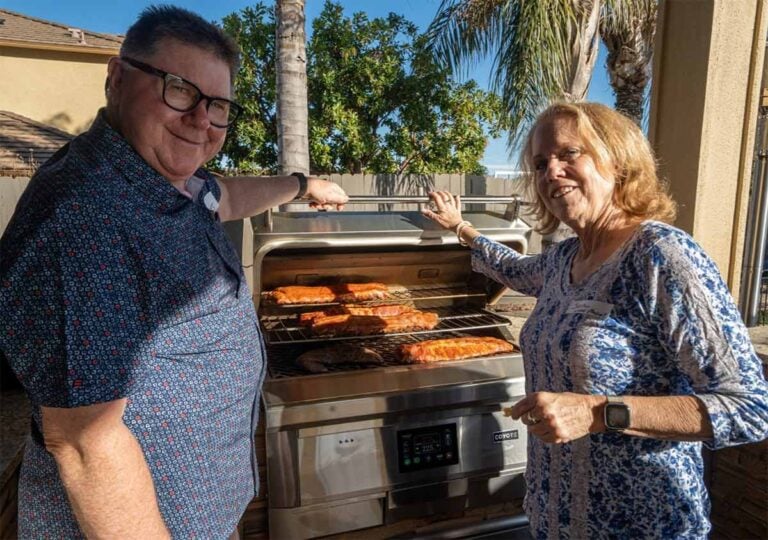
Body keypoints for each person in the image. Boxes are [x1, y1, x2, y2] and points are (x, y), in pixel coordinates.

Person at [0, 5, 348, 538]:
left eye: (218, 105)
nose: (202, 120)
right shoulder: (86, 218)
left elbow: (226, 196)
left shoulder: (166, 182)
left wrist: (301, 185)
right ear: (116, 77)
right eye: (179, 89)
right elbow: (86, 444)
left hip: (202, 513)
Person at [422, 101, 768, 539]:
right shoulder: (563, 259)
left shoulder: (661, 255)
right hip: (555, 518)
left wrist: (601, 413)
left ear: (618, 161)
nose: (552, 172)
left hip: (642, 524)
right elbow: (511, 267)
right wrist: (462, 228)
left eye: (569, 154)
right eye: (541, 163)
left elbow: (748, 408)